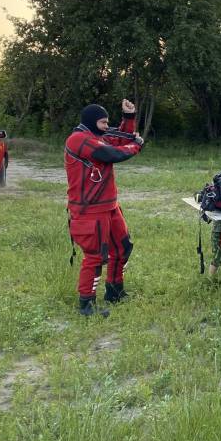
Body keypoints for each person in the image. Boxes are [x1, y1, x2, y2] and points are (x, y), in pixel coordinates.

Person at [64, 99, 144, 316]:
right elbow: (112, 153)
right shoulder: (78, 140)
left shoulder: (96, 136)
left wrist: (129, 117)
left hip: (109, 205)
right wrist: (137, 146)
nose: (107, 126)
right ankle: (86, 304)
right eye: (103, 122)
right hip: (89, 209)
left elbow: (120, 138)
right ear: (91, 122)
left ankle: (115, 291)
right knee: (95, 256)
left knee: (123, 247)